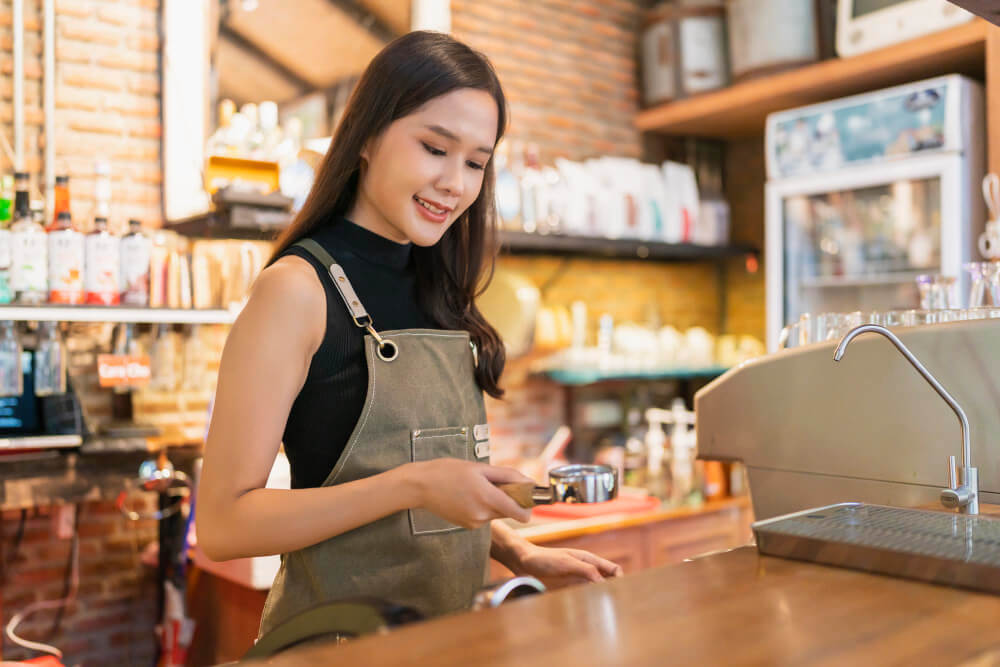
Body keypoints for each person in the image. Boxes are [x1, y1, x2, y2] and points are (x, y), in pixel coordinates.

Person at [196, 30, 622, 639]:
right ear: (367, 137)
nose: (455, 182)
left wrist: (519, 555)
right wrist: (414, 484)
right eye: (434, 148)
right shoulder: (297, 290)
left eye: (476, 162)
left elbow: (426, 493)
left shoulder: (438, 287)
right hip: (332, 647)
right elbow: (224, 525)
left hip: (439, 644)